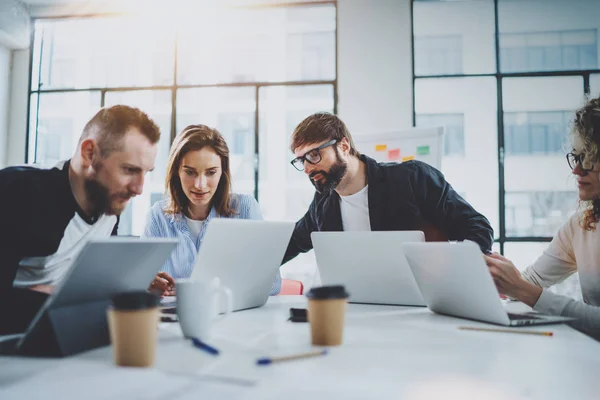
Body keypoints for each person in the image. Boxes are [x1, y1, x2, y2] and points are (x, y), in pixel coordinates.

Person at [0, 105, 161, 334]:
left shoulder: (109, 202)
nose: (139, 188)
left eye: (147, 172)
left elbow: (95, 286)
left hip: (61, 335)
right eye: (129, 170)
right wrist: (51, 298)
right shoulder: (18, 193)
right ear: (89, 154)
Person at [281, 112, 494, 265]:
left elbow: (478, 228)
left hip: (422, 307)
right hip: (359, 308)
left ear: (344, 147)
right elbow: (290, 244)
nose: (308, 168)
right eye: (301, 160)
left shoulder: (412, 178)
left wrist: (450, 272)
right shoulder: (323, 203)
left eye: (314, 155)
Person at [485, 96, 600, 340]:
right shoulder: (581, 224)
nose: (576, 170)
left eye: (590, 159)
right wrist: (487, 282)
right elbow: (532, 280)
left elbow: (525, 288)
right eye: (577, 156)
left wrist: (521, 288)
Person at [144, 124, 281, 296]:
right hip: (175, 320)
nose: (200, 185)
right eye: (190, 172)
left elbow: (273, 283)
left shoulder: (245, 208)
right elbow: (143, 283)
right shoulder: (158, 216)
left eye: (210, 172)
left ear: (222, 172)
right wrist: (148, 283)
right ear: (176, 171)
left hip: (235, 317)